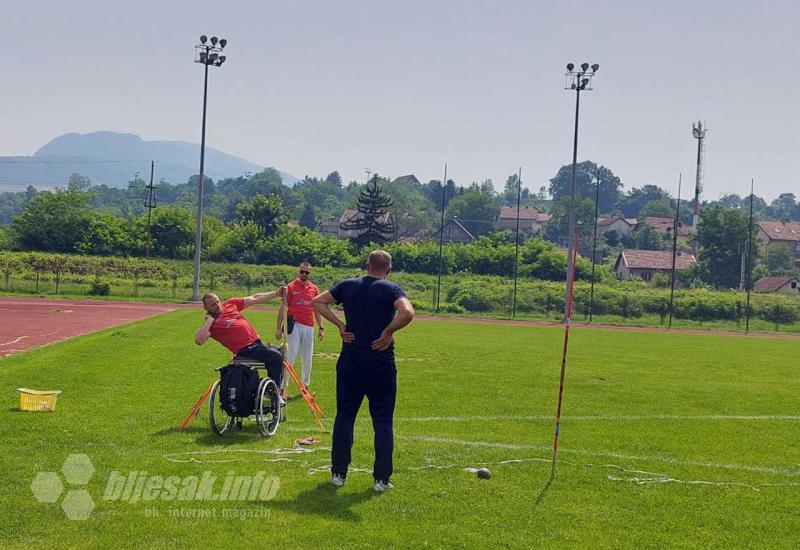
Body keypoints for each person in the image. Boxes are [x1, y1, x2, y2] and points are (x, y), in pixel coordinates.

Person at [311, 250, 415, 493]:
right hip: (379, 362)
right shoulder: (390, 289)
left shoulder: (348, 285)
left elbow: (316, 301)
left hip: (351, 360)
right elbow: (408, 312)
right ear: (388, 270)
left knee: (345, 417)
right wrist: (388, 332)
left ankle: (338, 473)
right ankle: (381, 480)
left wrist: (340, 325)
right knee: (382, 421)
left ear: (367, 265)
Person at [194, 290, 285, 391]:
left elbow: (255, 298)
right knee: (276, 357)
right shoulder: (211, 325)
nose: (217, 306)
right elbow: (199, 340)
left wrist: (276, 293)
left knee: (283, 352)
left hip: (257, 343)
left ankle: (275, 386)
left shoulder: (230, 304)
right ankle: (274, 392)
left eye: (217, 302)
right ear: (205, 308)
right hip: (246, 349)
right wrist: (209, 321)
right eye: (212, 305)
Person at [276, 261, 324, 396]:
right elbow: (283, 307)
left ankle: (305, 386)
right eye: (301, 271)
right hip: (294, 324)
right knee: (289, 356)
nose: (303, 274)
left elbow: (317, 309)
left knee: (307, 358)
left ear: (310, 274)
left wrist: (321, 327)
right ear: (299, 272)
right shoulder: (290, 287)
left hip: (309, 326)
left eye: (306, 272)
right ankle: (282, 388)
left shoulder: (314, 289)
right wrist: (278, 328)